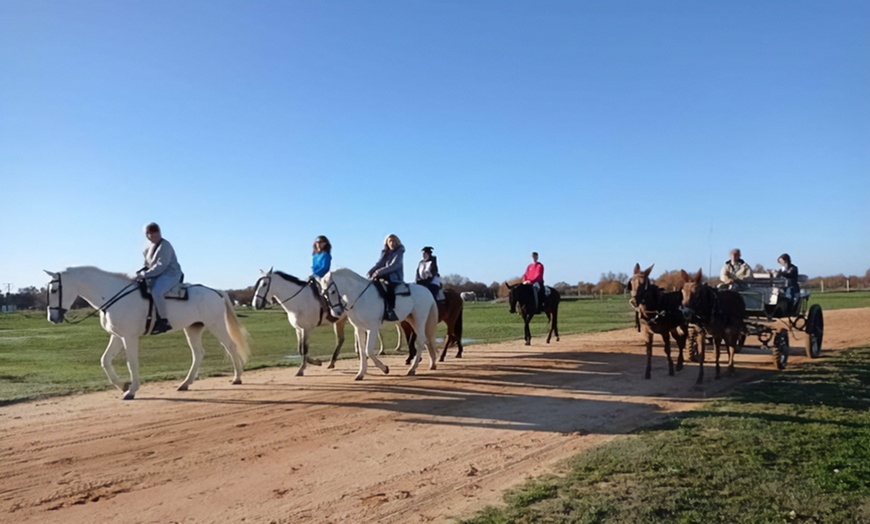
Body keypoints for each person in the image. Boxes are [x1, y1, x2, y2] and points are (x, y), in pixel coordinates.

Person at [137, 222, 182, 335]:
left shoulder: (165, 245)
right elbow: (147, 263)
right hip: (155, 274)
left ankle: (163, 320)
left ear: (159, 233)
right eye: (149, 233)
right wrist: (141, 271)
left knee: (157, 291)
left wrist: (145, 274)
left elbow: (161, 266)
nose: (151, 236)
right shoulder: (147, 246)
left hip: (170, 274)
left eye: (154, 233)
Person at [367, 234, 405, 321]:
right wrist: (372, 270)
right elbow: (379, 264)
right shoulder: (385, 253)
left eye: (394, 241)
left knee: (389, 289)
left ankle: (391, 310)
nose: (392, 243)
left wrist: (379, 272)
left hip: (394, 278)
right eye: (390, 241)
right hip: (384, 276)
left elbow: (395, 265)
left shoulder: (399, 252)